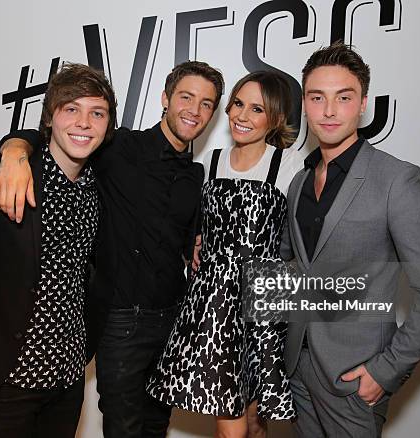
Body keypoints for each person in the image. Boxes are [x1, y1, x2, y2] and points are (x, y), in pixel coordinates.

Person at [0, 61, 224, 437]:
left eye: (206, 103)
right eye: (186, 97)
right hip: (121, 322)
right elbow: (56, 133)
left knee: (156, 425)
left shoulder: (195, 175)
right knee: (123, 428)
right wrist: (14, 149)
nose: (194, 110)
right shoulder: (118, 147)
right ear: (165, 99)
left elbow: (186, 244)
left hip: (171, 319)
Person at [280, 42, 420, 437]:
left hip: (353, 378)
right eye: (317, 98)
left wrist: (385, 370)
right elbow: (294, 270)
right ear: (305, 105)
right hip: (297, 371)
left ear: (362, 104)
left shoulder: (397, 179)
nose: (328, 111)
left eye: (343, 98)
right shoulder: (299, 183)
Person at [0, 63, 116, 437]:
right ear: (49, 118)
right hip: (6, 378)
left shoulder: (99, 189)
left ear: (107, 125)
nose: (84, 122)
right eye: (71, 109)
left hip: (67, 379)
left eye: (96, 113)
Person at [147, 71, 304, 438]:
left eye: (256, 109)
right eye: (237, 104)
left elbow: (301, 242)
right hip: (214, 309)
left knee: (253, 422)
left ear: (276, 118)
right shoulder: (211, 162)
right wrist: (195, 242)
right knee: (230, 426)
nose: (242, 116)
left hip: (263, 308)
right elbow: (194, 226)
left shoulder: (290, 165)